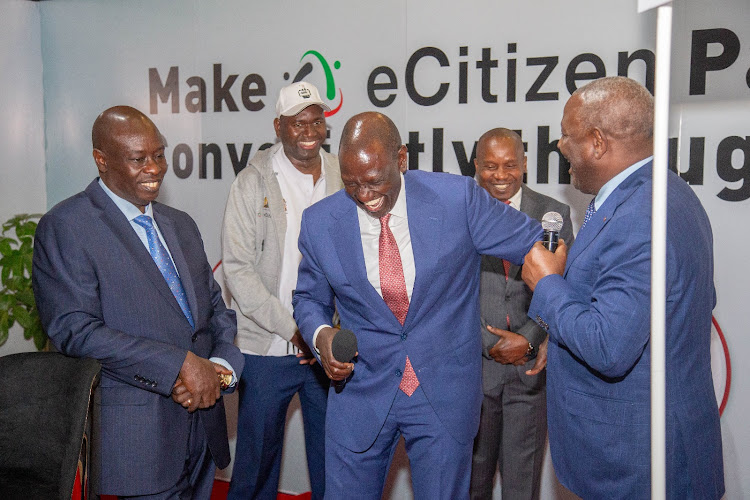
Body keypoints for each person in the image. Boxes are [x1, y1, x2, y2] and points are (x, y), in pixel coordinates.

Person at [291, 112, 543, 499]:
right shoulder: (320, 222)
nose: (364, 195)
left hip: (443, 395)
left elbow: (538, 245)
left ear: (402, 160)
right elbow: (308, 298)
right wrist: (320, 333)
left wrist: (549, 324)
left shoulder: (456, 198)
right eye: (351, 183)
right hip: (361, 393)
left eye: (375, 181)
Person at [521, 76, 724, 499]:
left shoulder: (640, 216)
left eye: (566, 135)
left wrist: (549, 285)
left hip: (635, 461)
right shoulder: (666, 193)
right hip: (643, 448)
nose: (560, 146)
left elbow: (609, 348)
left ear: (597, 141)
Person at [32, 106, 244, 499]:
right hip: (139, 441)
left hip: (203, 429)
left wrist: (221, 368)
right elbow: (74, 331)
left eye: (159, 154)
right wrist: (178, 365)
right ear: (101, 159)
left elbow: (216, 310)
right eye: (137, 159)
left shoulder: (180, 223)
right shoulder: (66, 226)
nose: (155, 168)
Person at [221, 81, 340, 500]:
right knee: (256, 465)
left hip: (330, 347)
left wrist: (326, 332)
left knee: (335, 461)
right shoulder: (252, 182)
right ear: (279, 126)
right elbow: (237, 270)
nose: (309, 129)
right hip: (269, 346)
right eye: (297, 122)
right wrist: (294, 328)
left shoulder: (342, 175)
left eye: (316, 120)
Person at [469, 128, 573, 500]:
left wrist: (531, 339)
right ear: (476, 166)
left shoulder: (553, 215)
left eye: (510, 165)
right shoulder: (458, 211)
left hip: (531, 371)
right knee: (472, 480)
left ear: (525, 163)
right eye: (491, 166)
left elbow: (564, 287)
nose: (501, 175)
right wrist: (490, 342)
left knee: (521, 483)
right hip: (474, 371)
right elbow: (446, 291)